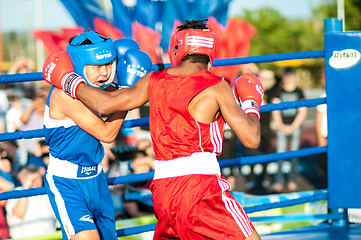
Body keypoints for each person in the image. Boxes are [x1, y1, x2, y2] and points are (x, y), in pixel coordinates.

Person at [44, 20, 263, 240]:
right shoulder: (216, 86)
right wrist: (251, 105)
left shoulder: (153, 80)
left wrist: (69, 80)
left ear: (175, 49)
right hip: (202, 187)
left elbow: (105, 104)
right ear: (210, 51)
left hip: (163, 190)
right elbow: (251, 139)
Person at [41, 31, 149, 240]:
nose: (105, 72)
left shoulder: (101, 89)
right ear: (81, 65)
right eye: (98, 66)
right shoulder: (64, 95)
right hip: (67, 182)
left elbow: (127, 100)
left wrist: (126, 91)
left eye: (109, 64)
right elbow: (107, 133)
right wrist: (126, 91)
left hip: (96, 178)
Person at [269, 67, 307, 193]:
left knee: (294, 154)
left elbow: (303, 111)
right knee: (280, 153)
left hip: (294, 126)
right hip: (282, 126)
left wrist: (293, 127)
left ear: (293, 76)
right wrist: (281, 126)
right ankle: (278, 181)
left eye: (290, 74)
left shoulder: (299, 91)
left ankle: (292, 180)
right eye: (286, 74)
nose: (288, 77)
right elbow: (275, 109)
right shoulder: (278, 91)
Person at [6, 165, 56, 239]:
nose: (36, 182)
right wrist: (26, 187)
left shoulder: (46, 193)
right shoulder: (16, 192)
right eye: (32, 179)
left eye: (38, 178)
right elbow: (19, 213)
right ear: (23, 180)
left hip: (50, 236)